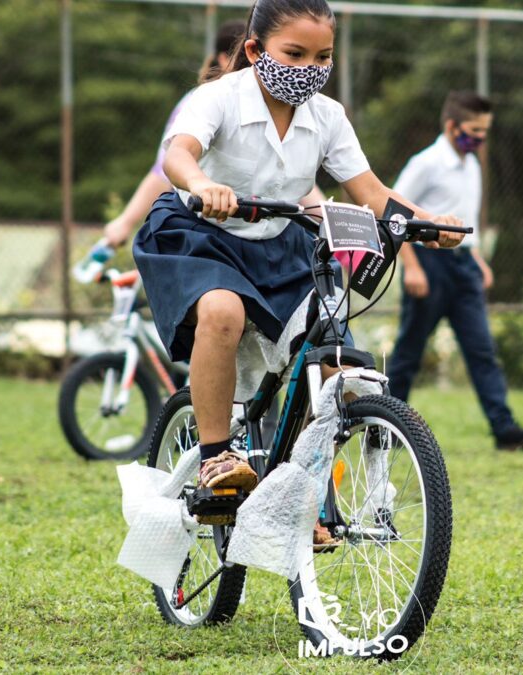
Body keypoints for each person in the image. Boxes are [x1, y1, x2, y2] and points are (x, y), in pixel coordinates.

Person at [133, 0, 464, 499]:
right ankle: (215, 459)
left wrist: (427, 221)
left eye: (322, 56)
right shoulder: (220, 98)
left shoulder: (328, 117)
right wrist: (203, 183)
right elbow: (178, 153)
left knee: (336, 361)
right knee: (222, 313)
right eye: (294, 54)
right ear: (254, 49)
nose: (309, 69)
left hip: (279, 241)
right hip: (202, 235)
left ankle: (299, 493)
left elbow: (372, 194)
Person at [386, 91, 523, 452]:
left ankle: (505, 430)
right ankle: (386, 429)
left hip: (463, 268)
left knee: (482, 351)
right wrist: (410, 267)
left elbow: (467, 221)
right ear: (452, 125)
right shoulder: (426, 163)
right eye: (475, 131)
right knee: (409, 352)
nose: (480, 138)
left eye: (485, 131)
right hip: (428, 264)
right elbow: (394, 212)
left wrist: (476, 260)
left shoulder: (471, 165)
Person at [101, 20, 247, 248]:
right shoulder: (199, 103)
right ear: (223, 59)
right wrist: (125, 222)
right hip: (204, 234)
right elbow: (165, 168)